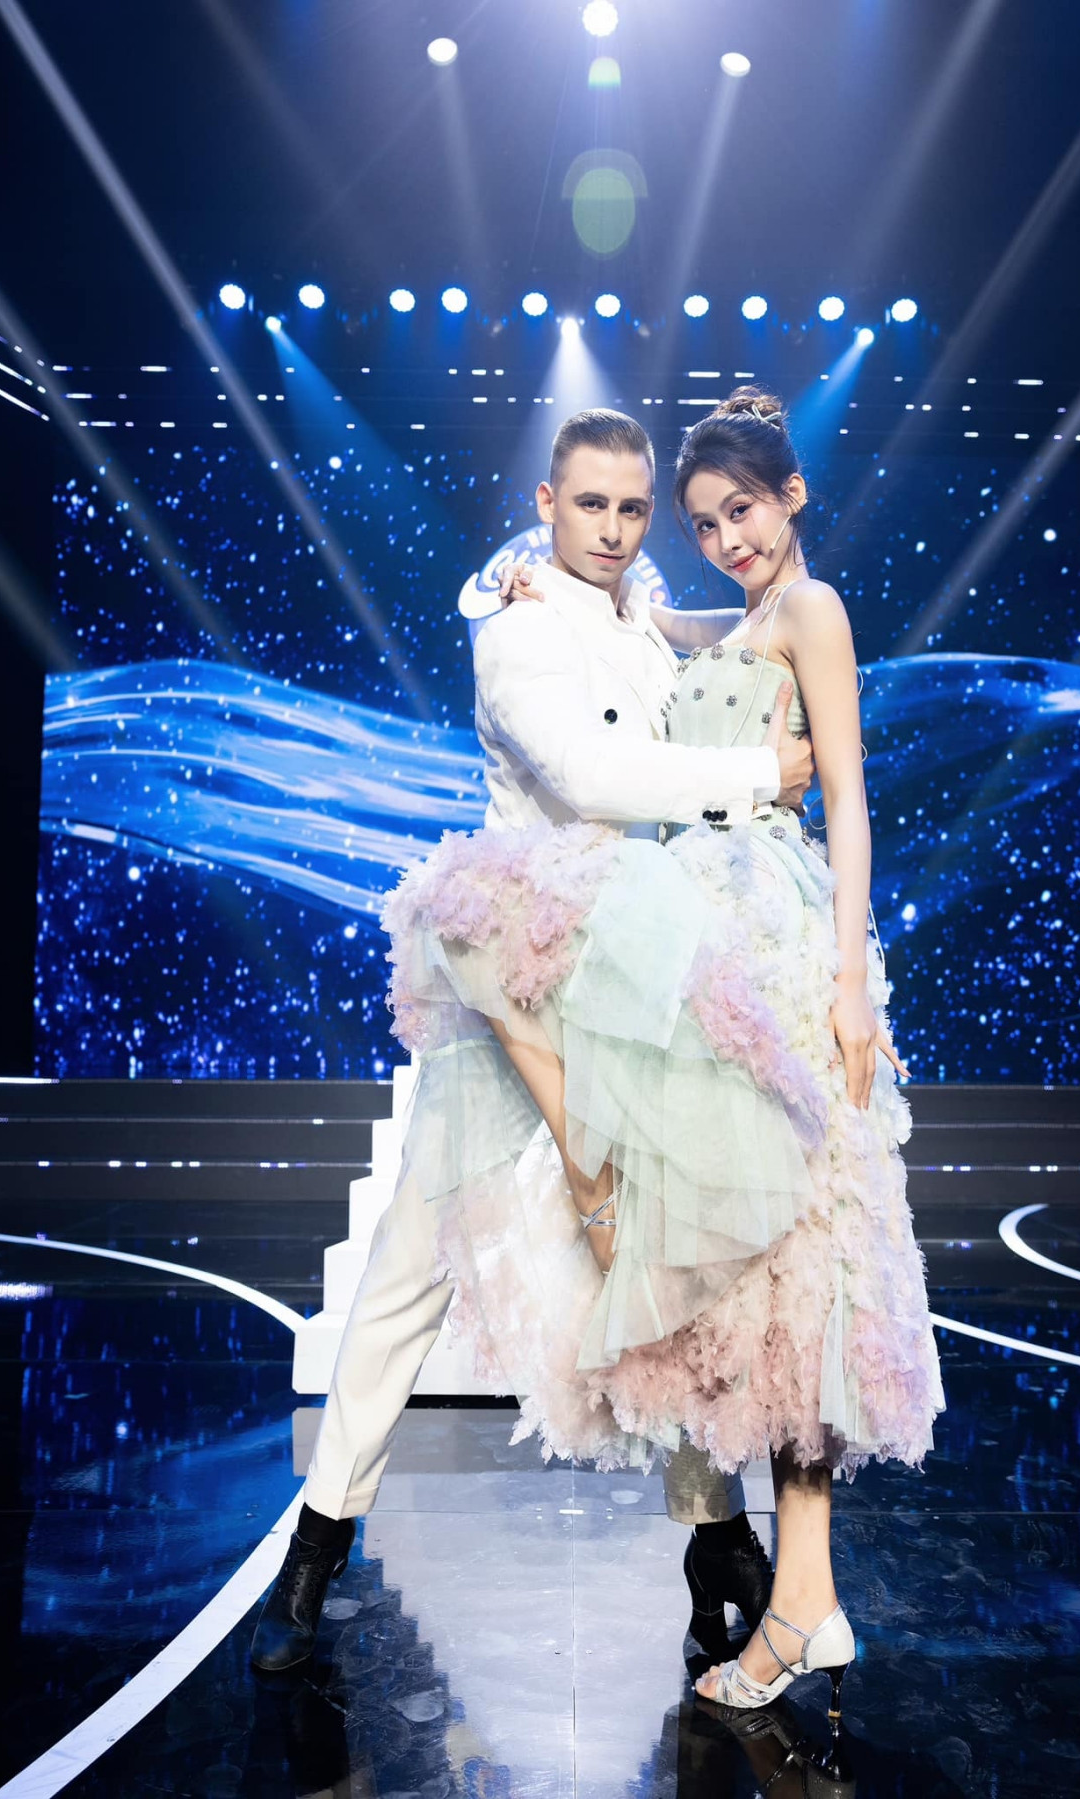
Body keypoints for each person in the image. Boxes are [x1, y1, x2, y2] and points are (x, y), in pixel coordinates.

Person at [383, 388, 944, 1718]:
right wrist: (512, 575)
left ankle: (803, 1600)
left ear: (792, 496)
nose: (725, 539)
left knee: (810, 1251)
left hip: (785, 945)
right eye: (701, 523)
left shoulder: (812, 610)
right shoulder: (730, 616)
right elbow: (642, 616)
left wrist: (852, 986)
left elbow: (851, 800)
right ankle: (801, 1593)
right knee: (764, 1269)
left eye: (741, 510)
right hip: (707, 935)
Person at [250, 407, 815, 1674]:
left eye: (632, 507)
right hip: (528, 963)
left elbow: (682, 636)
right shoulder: (514, 631)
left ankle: (716, 1535)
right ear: (547, 503)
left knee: (668, 1250)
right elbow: (592, 775)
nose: (614, 529)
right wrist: (757, 776)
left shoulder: (635, 606)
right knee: (416, 1252)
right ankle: (321, 1536)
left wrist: (777, 602)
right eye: (591, 505)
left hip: (638, 961)